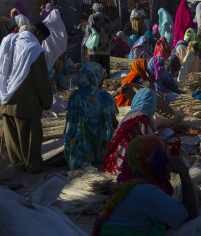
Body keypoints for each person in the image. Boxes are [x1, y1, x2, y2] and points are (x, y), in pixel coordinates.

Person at [95, 135, 200, 236]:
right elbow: (191, 214)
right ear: (155, 162)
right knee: (200, 224)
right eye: (163, 157)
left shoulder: (125, 184)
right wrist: (184, 173)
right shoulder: (146, 191)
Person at [0, 23, 53, 173]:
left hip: (6, 100)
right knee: (31, 138)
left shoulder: (9, 41)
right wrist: (47, 101)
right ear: (37, 34)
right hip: (27, 103)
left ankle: (17, 166)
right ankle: (33, 167)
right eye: (42, 39)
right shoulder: (34, 50)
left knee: (13, 139)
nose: (41, 43)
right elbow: (41, 80)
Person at [105, 89, 181, 176]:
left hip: (115, 162)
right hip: (128, 168)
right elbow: (148, 146)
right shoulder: (143, 118)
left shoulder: (130, 115)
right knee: (174, 139)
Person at [64, 63, 116, 170]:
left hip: (77, 153)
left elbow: (69, 124)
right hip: (102, 152)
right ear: (94, 77)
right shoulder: (105, 97)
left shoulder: (74, 96)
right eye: (101, 77)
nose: (102, 81)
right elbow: (114, 121)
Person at [42, 9, 68, 89]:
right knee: (59, 67)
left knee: (50, 65)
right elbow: (64, 35)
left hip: (50, 49)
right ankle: (58, 84)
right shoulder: (60, 22)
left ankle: (48, 84)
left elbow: (42, 28)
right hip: (60, 50)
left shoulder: (47, 22)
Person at [86, 3, 114, 77]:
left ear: (94, 11)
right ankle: (106, 85)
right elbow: (112, 34)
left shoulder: (92, 17)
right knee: (105, 70)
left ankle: (95, 84)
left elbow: (88, 32)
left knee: (95, 69)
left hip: (95, 48)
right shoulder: (108, 19)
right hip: (106, 48)